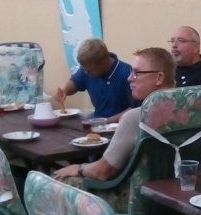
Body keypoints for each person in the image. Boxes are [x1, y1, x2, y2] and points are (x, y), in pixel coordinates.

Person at [53, 47, 176, 184]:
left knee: (55, 180)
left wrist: (78, 168)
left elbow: (102, 172)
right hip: (179, 189)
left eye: (137, 73)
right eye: (131, 72)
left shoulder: (134, 118)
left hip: (131, 192)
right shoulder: (191, 108)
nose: (129, 78)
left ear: (159, 78)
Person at [55, 38, 134, 123]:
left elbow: (135, 109)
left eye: (89, 70)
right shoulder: (88, 68)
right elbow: (75, 82)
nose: (86, 73)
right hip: (97, 121)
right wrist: (64, 90)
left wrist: (106, 121)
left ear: (104, 63)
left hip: (120, 125)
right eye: (84, 69)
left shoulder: (127, 74)